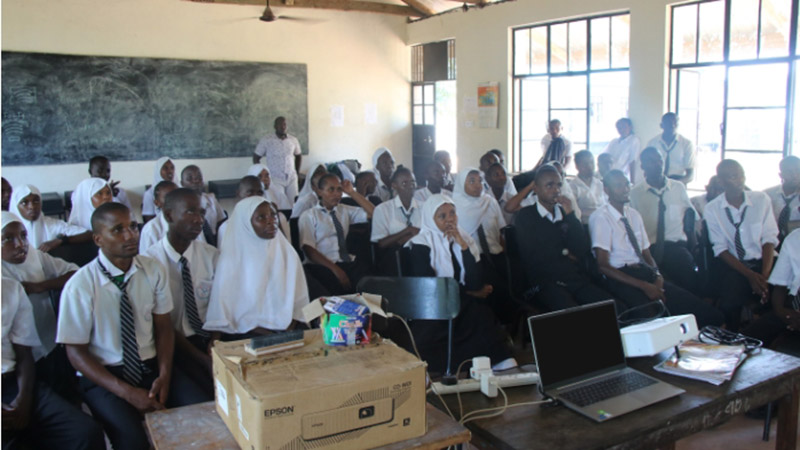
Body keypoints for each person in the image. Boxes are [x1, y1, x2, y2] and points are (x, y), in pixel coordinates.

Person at [56, 202, 207, 450]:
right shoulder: (80, 285)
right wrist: (127, 393)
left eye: (133, 227)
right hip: (106, 375)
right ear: (98, 239)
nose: (130, 235)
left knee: (202, 413)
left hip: (150, 366)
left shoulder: (152, 269)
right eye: (118, 230)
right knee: (133, 440)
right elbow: (75, 353)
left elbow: (163, 327)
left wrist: (164, 375)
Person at [589, 170, 723, 328]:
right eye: (618, 186)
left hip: (644, 272)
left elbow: (646, 254)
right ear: (606, 190)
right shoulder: (601, 218)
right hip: (620, 277)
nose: (625, 189)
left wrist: (657, 276)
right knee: (653, 316)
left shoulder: (633, 215)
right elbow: (603, 266)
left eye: (626, 184)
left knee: (701, 311)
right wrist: (645, 286)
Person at [404, 195, 516, 373]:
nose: (450, 219)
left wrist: (462, 245)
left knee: (481, 315)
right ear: (431, 219)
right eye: (442, 216)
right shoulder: (420, 244)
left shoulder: (465, 239)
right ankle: (450, 367)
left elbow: (475, 281)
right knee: (428, 337)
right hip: (434, 305)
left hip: (460, 299)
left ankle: (495, 361)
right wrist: (469, 293)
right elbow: (430, 287)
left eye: (453, 213)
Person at [2, 277, 105, 450]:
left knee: (85, 433)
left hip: (14, 383)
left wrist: (24, 398)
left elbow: (24, 354)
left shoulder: (11, 289)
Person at [143, 189, 218, 397]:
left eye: (202, 213)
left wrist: (215, 341)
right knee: (199, 398)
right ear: (169, 215)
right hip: (173, 345)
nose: (199, 220)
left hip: (211, 337)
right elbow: (162, 324)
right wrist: (203, 359)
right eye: (190, 212)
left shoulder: (211, 256)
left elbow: (221, 305)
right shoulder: (149, 263)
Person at [205, 197, 309, 340]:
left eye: (273, 215)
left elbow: (299, 300)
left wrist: (291, 324)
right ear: (245, 223)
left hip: (287, 326)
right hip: (247, 330)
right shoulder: (232, 260)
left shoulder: (287, 253)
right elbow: (224, 308)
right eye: (261, 217)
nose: (271, 221)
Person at [515, 165, 616, 312]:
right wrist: (566, 252)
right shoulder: (526, 216)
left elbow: (581, 248)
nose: (556, 190)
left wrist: (570, 215)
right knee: (572, 313)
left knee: (611, 306)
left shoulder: (564, 214)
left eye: (559, 185)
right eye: (549, 185)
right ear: (536, 189)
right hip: (545, 281)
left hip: (572, 277)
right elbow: (536, 255)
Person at [2, 211, 80, 396]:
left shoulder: (34, 256)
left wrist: (41, 286)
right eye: (8, 239)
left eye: (23, 236)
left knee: (64, 391)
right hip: (16, 357)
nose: (20, 244)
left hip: (49, 339)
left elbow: (75, 273)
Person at [704, 159, 779, 331]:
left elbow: (769, 238)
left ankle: (768, 337)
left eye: (741, 175)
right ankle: (734, 336)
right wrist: (751, 276)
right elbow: (721, 249)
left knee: (779, 298)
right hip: (736, 266)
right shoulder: (712, 208)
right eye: (733, 177)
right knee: (729, 304)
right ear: (721, 182)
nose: (739, 181)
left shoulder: (761, 200)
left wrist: (764, 276)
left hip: (765, 261)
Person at [629, 147, 698, 292]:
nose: (658, 164)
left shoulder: (678, 187)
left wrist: (694, 246)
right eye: (651, 161)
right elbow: (630, 227)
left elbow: (691, 217)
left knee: (690, 275)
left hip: (675, 246)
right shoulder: (635, 193)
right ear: (643, 166)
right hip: (649, 249)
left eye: (660, 160)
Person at [299, 174, 375, 294]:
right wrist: (336, 270)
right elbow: (308, 249)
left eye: (339, 189)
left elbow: (374, 213)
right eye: (331, 189)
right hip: (323, 266)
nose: (336, 194)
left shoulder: (343, 210)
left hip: (346, 261)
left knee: (369, 285)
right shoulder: (309, 215)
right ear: (319, 192)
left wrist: (352, 192)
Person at [742, 229, 800, 346]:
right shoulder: (793, 239)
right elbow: (780, 284)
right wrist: (782, 312)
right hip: (794, 306)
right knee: (745, 341)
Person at [10, 184, 91, 252]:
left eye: (36, 201)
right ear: (15, 206)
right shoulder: (8, 231)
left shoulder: (52, 225)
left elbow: (89, 234)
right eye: (24, 203)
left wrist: (61, 240)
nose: (32, 206)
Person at [370, 167, 421, 274]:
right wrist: (407, 230)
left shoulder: (424, 207)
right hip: (395, 258)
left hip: (420, 253)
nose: (410, 186)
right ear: (394, 185)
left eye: (413, 182)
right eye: (404, 183)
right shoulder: (382, 209)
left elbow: (430, 233)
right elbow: (381, 243)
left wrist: (403, 239)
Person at [218, 176, 290, 248]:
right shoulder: (226, 227)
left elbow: (284, 248)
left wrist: (276, 217)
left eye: (260, 193)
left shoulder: (271, 222)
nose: (256, 197)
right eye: (250, 193)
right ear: (238, 194)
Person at [252, 116, 302, 203]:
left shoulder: (293, 140)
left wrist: (297, 173)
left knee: (294, 203)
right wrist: (262, 175)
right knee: (279, 203)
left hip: (291, 178)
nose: (283, 127)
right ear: (275, 126)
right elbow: (256, 157)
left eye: (284, 124)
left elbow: (298, 156)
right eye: (280, 125)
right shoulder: (266, 140)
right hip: (275, 178)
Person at [180, 165, 225, 246]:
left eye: (199, 177)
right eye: (190, 178)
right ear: (182, 183)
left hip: (213, 244)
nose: (196, 181)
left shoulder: (211, 200)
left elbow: (221, 224)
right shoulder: (179, 204)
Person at [646, 113, 696, 184]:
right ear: (661, 125)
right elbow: (646, 169)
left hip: (679, 181)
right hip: (657, 181)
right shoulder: (652, 143)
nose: (672, 125)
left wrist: (675, 185)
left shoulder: (686, 144)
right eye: (668, 123)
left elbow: (690, 175)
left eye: (675, 123)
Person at [763, 155, 800, 244]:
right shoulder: (767, 195)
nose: (794, 175)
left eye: (798, 170)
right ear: (781, 175)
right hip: (771, 242)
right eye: (789, 172)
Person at [138, 181, 182, 254]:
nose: (175, 200)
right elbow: (146, 258)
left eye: (177, 195)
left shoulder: (191, 222)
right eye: (168, 197)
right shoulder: (151, 229)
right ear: (157, 203)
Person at [569, 150, 607, 225]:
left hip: (604, 222)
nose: (589, 167)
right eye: (585, 164)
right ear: (577, 166)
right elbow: (574, 211)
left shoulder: (600, 184)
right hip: (585, 225)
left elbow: (607, 205)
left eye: (592, 162)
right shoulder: (573, 187)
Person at [602, 118, 640, 182]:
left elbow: (632, 161)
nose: (621, 129)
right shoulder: (614, 141)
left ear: (630, 127)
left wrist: (632, 181)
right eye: (619, 128)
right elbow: (605, 157)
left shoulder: (633, 140)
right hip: (609, 175)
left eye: (624, 127)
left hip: (621, 177)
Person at [142, 157, 176, 223]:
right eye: (165, 168)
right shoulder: (150, 193)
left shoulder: (181, 189)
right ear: (158, 170)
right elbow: (148, 219)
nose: (170, 171)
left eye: (172, 168)